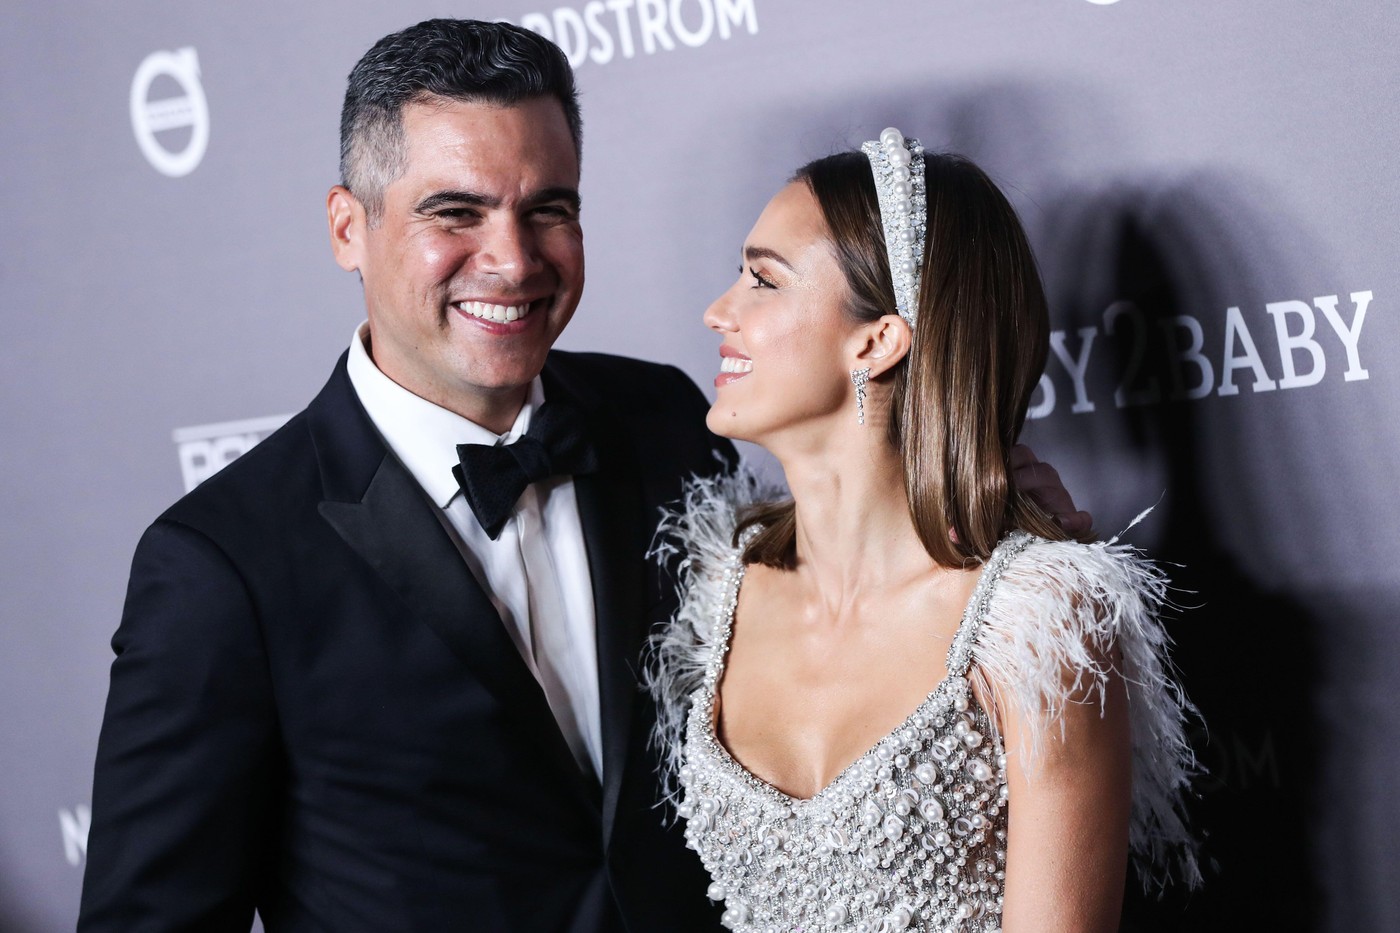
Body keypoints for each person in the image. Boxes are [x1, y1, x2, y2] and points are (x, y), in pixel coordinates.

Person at [78, 20, 1088, 932]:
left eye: (548, 208)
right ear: (349, 227)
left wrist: (976, 505)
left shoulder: (662, 424)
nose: (513, 259)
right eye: (455, 212)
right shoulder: (222, 568)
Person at [647, 133, 1198, 932]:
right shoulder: (719, 592)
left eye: (763, 279)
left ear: (877, 340)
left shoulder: (1037, 622)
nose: (719, 311)